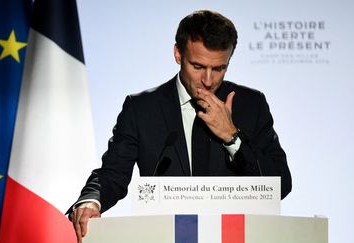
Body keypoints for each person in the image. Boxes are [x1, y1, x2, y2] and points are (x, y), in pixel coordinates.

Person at [68, 10, 292, 242]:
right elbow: (113, 174)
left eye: (218, 69)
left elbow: (281, 185)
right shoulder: (142, 108)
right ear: (178, 53)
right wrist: (91, 200)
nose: (208, 79)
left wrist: (232, 136)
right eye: (197, 66)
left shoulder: (250, 105)